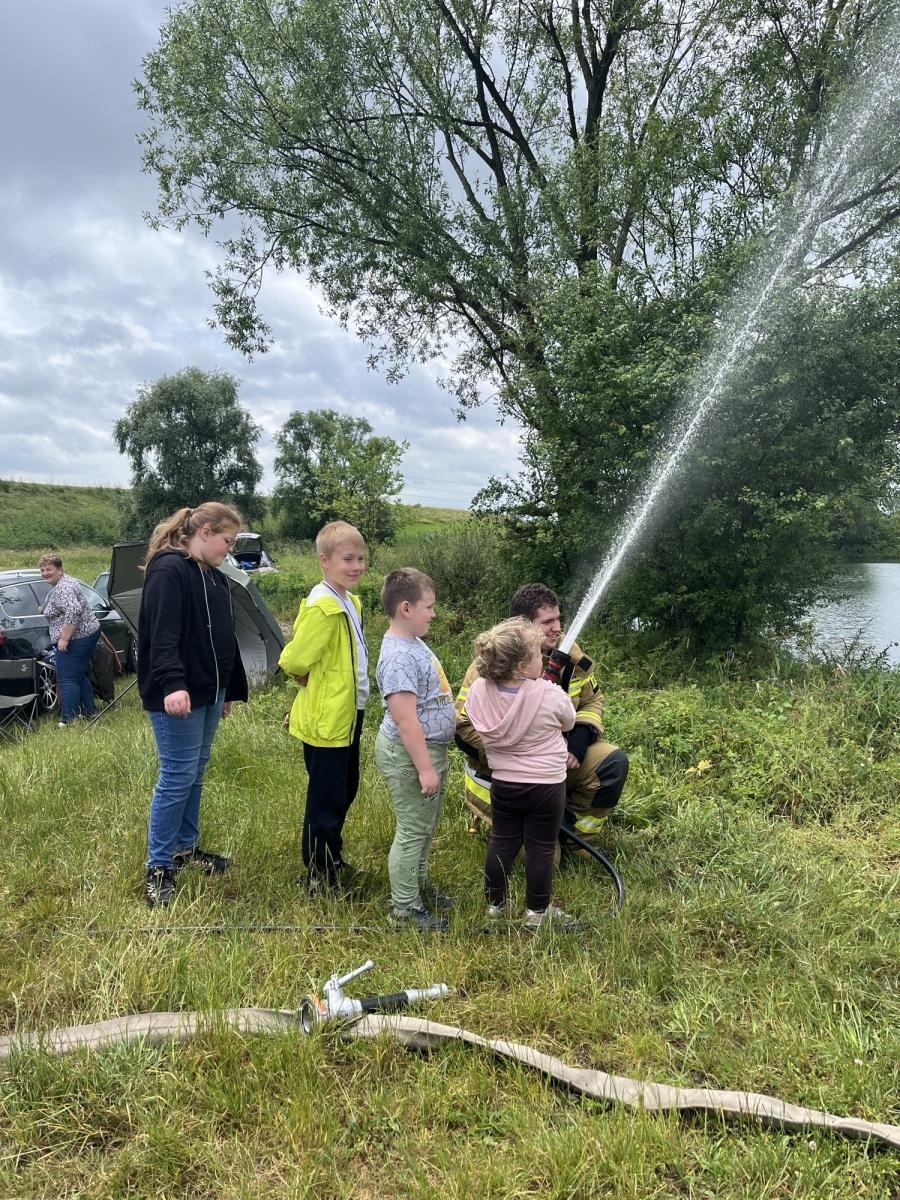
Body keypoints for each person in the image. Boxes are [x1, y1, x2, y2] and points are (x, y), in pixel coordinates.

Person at [456, 582, 629, 847]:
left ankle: (575, 839)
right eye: (548, 622)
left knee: (612, 763)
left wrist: (580, 739)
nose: (557, 628)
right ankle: (533, 829)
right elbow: (462, 727)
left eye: (559, 618)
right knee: (543, 862)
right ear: (524, 627)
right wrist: (523, 755)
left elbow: (593, 701)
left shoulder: (571, 657)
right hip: (508, 778)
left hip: (554, 766)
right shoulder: (493, 664)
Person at [138, 502, 248, 909]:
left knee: (195, 773)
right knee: (177, 775)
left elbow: (223, 639)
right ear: (203, 532)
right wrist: (172, 684)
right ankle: (158, 868)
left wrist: (226, 690)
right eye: (226, 540)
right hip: (178, 693)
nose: (228, 549)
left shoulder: (212, 577)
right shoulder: (169, 570)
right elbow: (161, 635)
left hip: (208, 693)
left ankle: (186, 849)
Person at [465, 617, 581, 931]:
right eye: (536, 654)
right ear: (520, 666)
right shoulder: (547, 693)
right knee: (541, 847)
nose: (542, 659)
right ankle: (537, 914)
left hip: (504, 783)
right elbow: (569, 721)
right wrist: (547, 687)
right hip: (545, 785)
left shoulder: (478, 690)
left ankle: (496, 907)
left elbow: (473, 719)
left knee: (502, 841)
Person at [279, 521, 369, 893]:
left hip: (350, 714)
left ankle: (332, 857)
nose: (357, 566)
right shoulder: (323, 606)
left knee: (345, 788)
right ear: (324, 560)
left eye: (362, 558)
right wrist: (305, 677)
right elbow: (294, 659)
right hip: (326, 718)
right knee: (326, 797)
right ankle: (318, 875)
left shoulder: (351, 601)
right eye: (348, 559)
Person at [374, 568, 456, 932]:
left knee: (424, 827)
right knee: (412, 829)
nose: (433, 614)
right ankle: (405, 909)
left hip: (428, 753)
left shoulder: (413, 641)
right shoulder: (398, 658)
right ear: (405, 608)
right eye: (429, 607)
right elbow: (406, 720)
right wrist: (425, 769)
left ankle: (419, 886)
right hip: (411, 756)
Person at [39, 553, 101, 727]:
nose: (45, 573)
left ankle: (68, 720)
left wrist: (64, 639)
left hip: (78, 637)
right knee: (78, 675)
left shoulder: (63, 587)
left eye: (49, 569)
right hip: (87, 633)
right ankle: (90, 711)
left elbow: (73, 611)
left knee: (67, 679)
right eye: (42, 570)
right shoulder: (63, 583)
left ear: (60, 569)